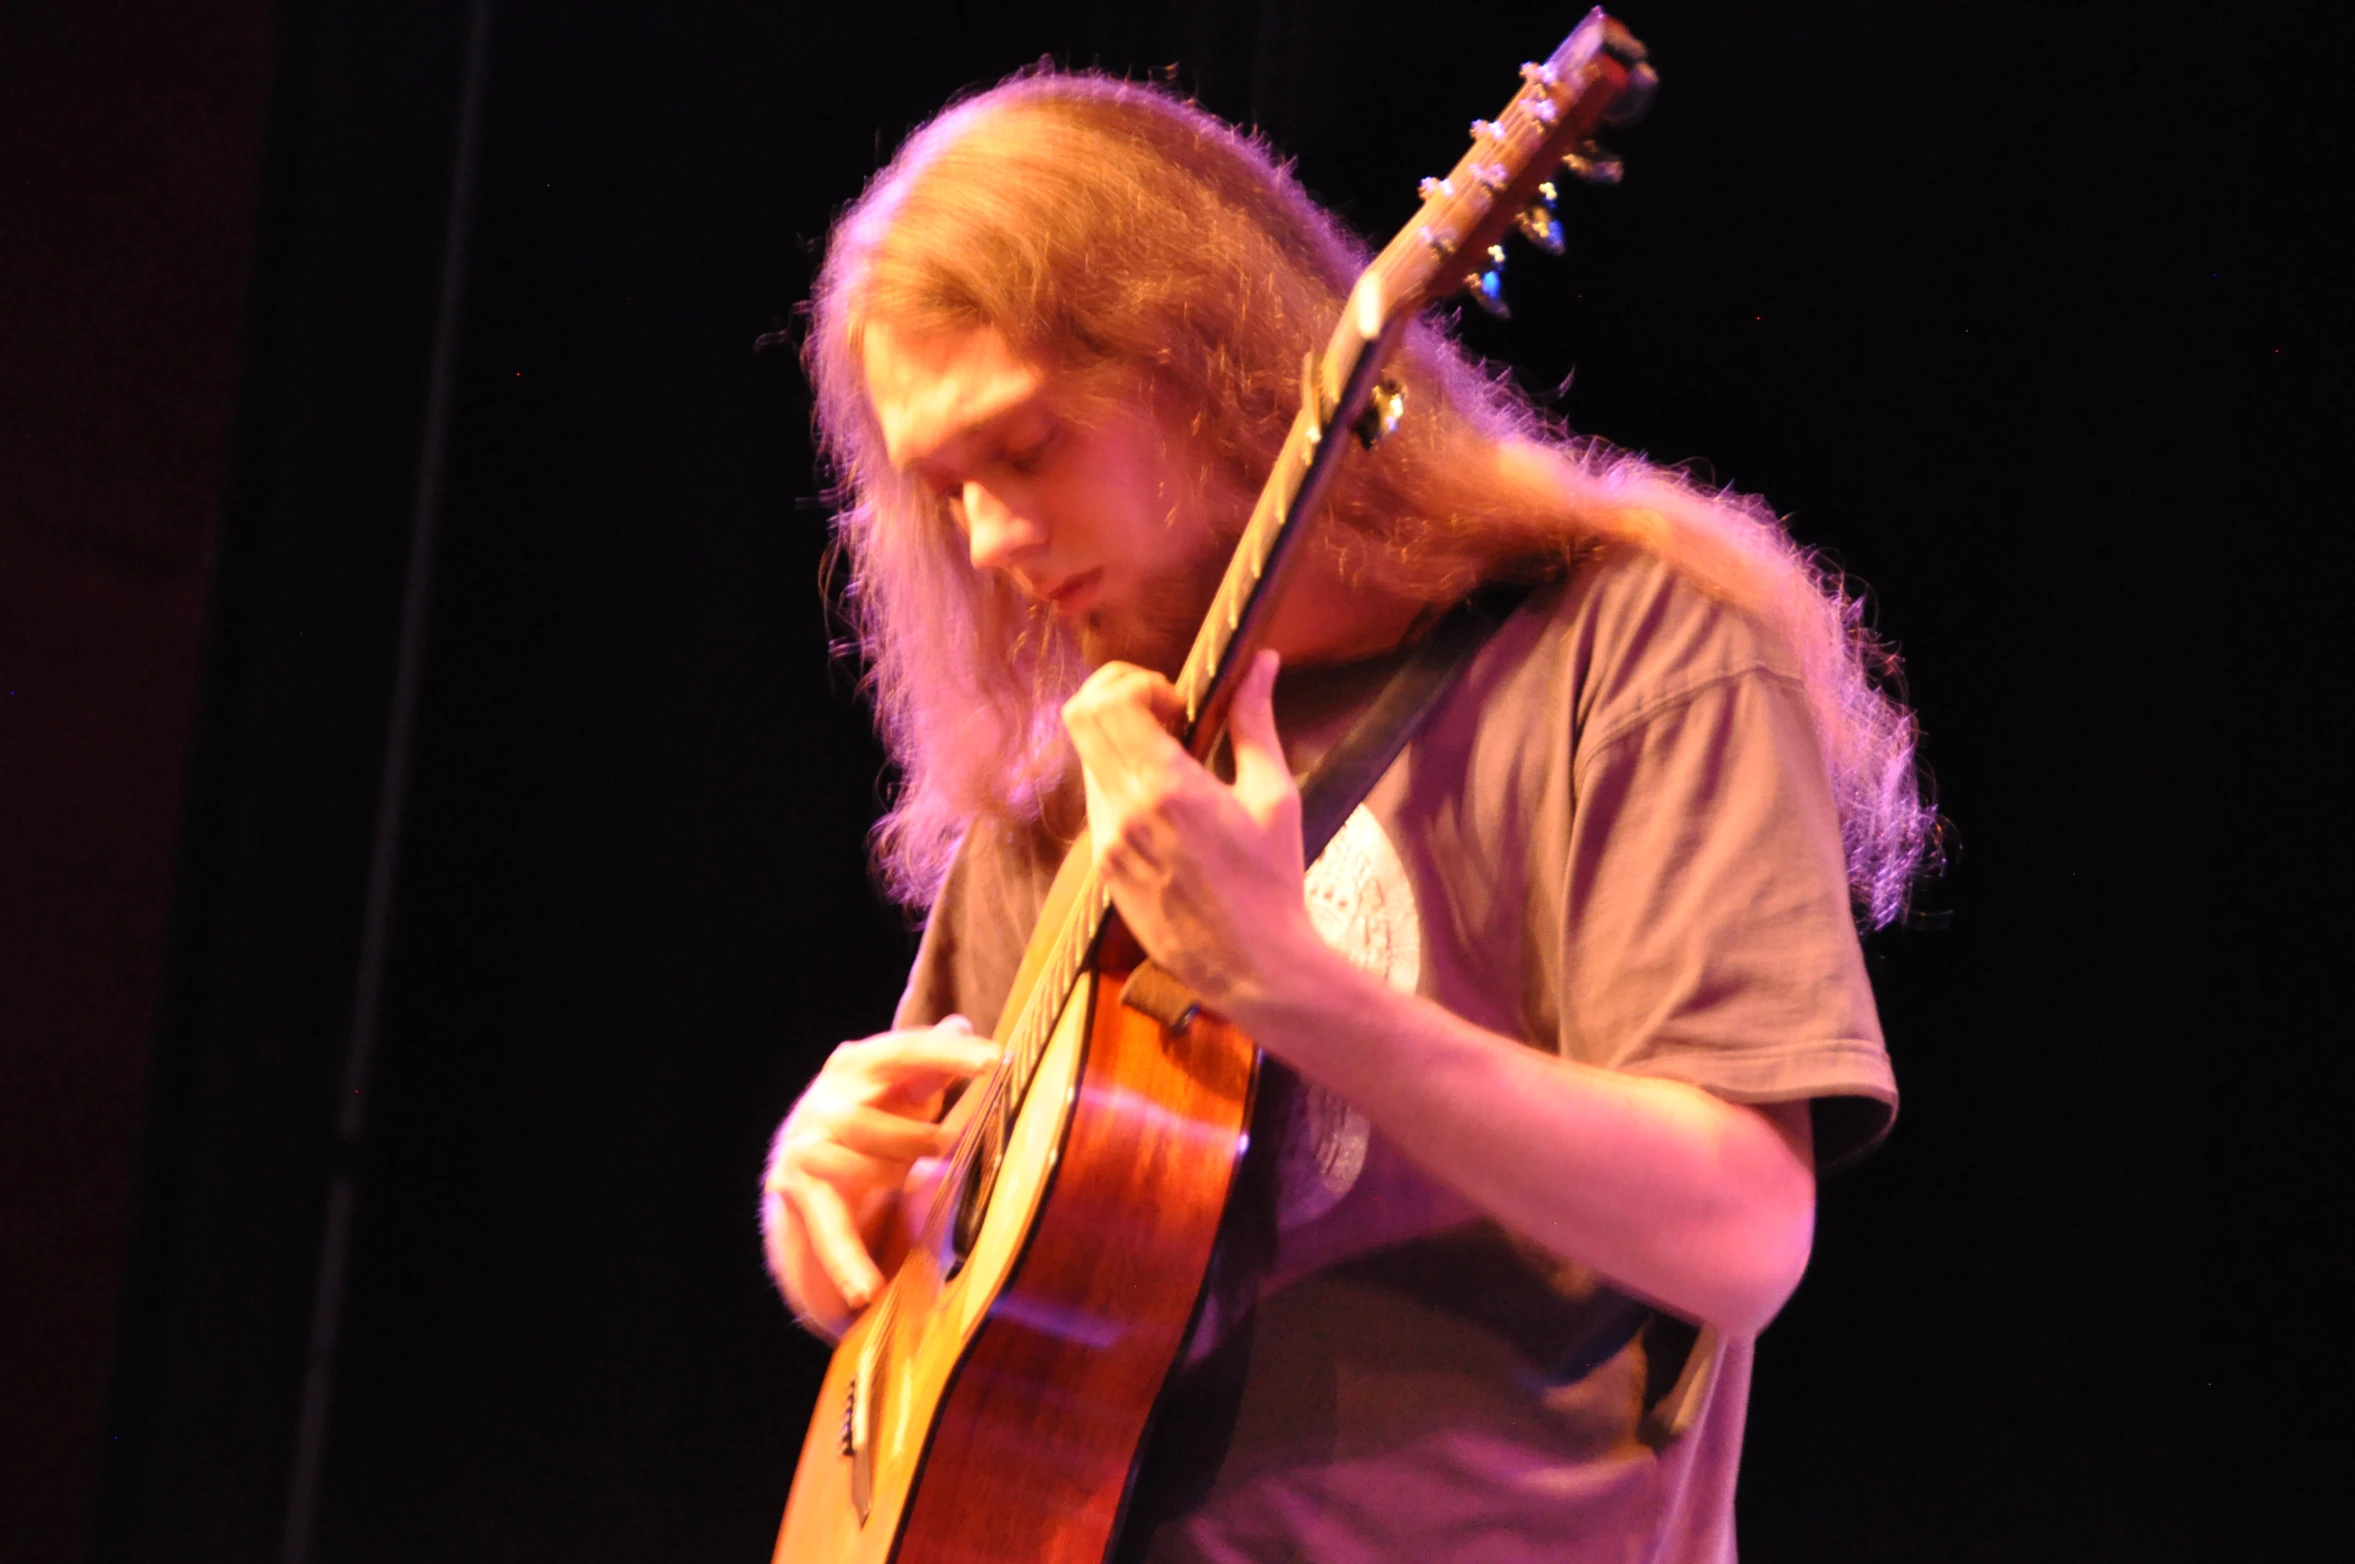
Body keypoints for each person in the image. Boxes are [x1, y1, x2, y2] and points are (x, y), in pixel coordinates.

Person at [760, 70, 1932, 1563]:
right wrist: (843, 1212)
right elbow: (987, 1290)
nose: (987, 538)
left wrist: (1290, 987)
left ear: (1199, 353)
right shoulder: (1098, 758)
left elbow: (1741, 1234)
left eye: (1026, 446)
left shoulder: (1632, 654)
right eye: (945, 491)